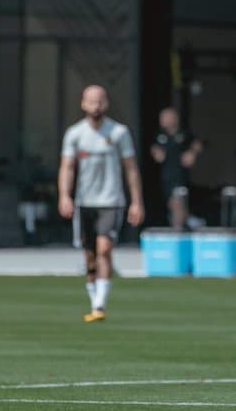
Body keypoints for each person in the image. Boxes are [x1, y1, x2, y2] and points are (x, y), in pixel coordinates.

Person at [58, 85, 144, 322]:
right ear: (83, 104)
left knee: (104, 248)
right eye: (91, 102)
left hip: (111, 200)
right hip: (85, 202)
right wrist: (64, 195)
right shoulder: (75, 134)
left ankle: (100, 305)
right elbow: (67, 167)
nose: (95, 106)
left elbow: (131, 168)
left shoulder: (118, 133)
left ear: (106, 104)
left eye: (99, 102)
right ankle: (93, 296)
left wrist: (136, 201)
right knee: (90, 254)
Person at [150, 107, 202, 228]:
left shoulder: (184, 133)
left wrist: (192, 154)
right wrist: (155, 152)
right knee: (171, 203)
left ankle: (176, 229)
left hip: (179, 175)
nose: (163, 120)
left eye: (166, 117)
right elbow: (154, 148)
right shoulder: (160, 135)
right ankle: (191, 220)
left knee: (177, 201)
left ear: (175, 118)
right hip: (165, 176)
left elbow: (197, 144)